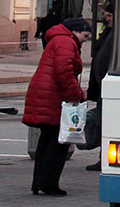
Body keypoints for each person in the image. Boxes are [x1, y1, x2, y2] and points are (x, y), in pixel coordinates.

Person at [22, 17, 91, 195]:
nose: (86, 40)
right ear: (75, 31)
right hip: (53, 96)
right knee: (58, 143)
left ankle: (39, 183)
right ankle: (49, 184)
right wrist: (75, 96)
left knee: (46, 140)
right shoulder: (66, 42)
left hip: (47, 95)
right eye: (85, 35)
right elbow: (64, 70)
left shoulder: (59, 39)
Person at [84, 5, 114, 171]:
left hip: (111, 87)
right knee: (102, 123)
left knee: (109, 123)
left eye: (110, 16)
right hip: (103, 86)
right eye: (106, 15)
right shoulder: (107, 32)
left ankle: (105, 158)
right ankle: (103, 157)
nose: (107, 18)